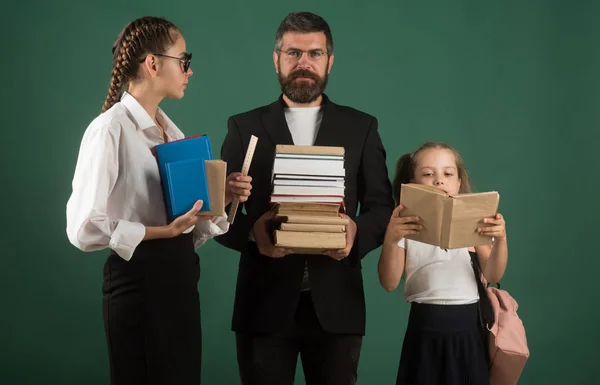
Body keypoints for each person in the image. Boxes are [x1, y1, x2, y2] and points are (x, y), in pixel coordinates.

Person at [65, 16, 252, 385]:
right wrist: (162, 231)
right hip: (139, 285)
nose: (190, 70)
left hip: (180, 280)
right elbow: (83, 226)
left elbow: (189, 220)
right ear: (153, 64)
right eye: (184, 60)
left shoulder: (172, 132)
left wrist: (221, 194)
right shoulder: (109, 129)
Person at [215, 11, 394, 385]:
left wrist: (355, 232)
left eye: (314, 54)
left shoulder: (361, 127)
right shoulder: (243, 126)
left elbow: (381, 206)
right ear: (276, 58)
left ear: (330, 61)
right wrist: (252, 234)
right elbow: (218, 212)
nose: (304, 63)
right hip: (262, 305)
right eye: (294, 53)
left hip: (337, 305)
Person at [378, 141, 509, 385]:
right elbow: (389, 282)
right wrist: (391, 238)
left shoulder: (475, 220)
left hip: (468, 329)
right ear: (413, 183)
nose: (439, 180)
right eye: (428, 174)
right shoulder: (405, 226)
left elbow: (493, 273)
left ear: (459, 182)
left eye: (448, 174)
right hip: (424, 328)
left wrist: (500, 239)